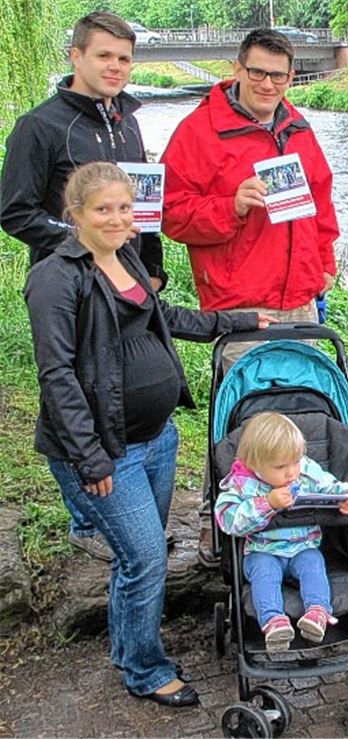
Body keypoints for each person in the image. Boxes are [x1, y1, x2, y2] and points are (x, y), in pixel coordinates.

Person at [23, 162, 273, 706]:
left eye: (123, 208)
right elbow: (57, 376)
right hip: (106, 451)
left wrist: (234, 321)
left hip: (156, 439)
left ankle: (126, 648)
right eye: (102, 210)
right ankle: (143, 668)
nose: (116, 219)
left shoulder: (126, 258)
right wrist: (91, 459)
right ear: (76, 215)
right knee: (144, 559)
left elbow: (161, 316)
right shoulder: (56, 277)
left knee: (137, 556)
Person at [160, 27, 340, 566]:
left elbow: (323, 201)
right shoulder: (199, 132)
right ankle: (222, 517)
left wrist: (325, 261)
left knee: (301, 411)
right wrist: (231, 205)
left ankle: (300, 509)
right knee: (239, 418)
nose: (267, 83)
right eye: (257, 72)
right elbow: (171, 215)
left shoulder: (299, 127)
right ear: (238, 69)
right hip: (239, 303)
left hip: (301, 299)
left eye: (278, 75)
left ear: (290, 78)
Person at [0, 11, 166, 562]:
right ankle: (86, 517)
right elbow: (15, 211)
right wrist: (82, 246)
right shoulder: (40, 126)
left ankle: (115, 504)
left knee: (119, 382)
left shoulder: (128, 121)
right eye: (105, 56)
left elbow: (139, 201)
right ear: (76, 57)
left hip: (128, 279)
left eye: (124, 58)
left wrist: (151, 262)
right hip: (68, 285)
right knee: (75, 379)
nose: (116, 67)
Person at [214, 412, 348, 652]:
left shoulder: (304, 470)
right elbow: (227, 518)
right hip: (262, 551)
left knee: (313, 565)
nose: (291, 472)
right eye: (281, 467)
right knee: (265, 574)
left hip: (303, 546)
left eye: (295, 461)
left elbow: (331, 485)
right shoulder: (242, 483)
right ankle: (274, 622)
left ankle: (317, 612)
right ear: (255, 465)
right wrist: (267, 503)